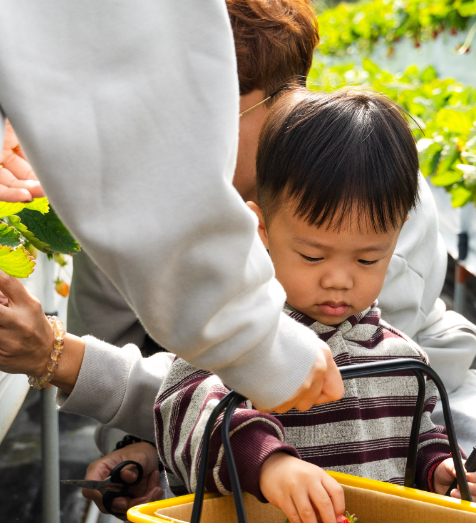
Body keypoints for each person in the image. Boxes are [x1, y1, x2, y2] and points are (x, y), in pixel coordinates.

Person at [156, 87, 476, 523]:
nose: (340, 279)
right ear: (260, 230)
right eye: (312, 256)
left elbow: (417, 436)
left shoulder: (401, 358)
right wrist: (269, 463)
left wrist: (438, 469)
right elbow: (183, 405)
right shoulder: (236, 344)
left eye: (368, 259)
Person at [0, 0, 342, 413]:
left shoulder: (354, 199)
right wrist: (133, 443)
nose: (181, 142)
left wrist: (59, 355)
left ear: (288, 102)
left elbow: (361, 386)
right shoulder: (125, 212)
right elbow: (112, 360)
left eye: (210, 121)